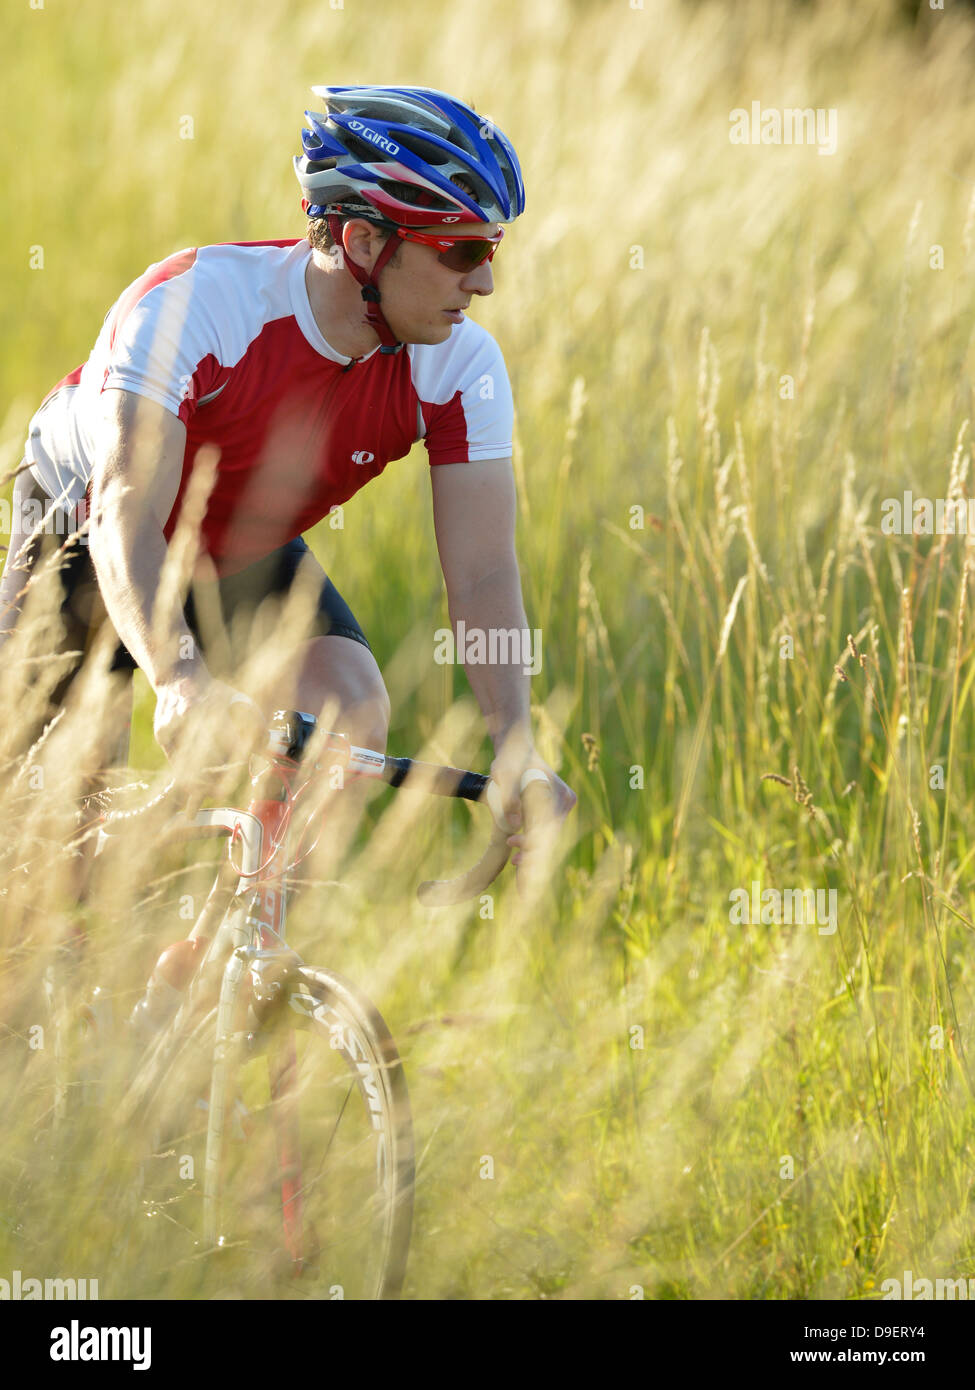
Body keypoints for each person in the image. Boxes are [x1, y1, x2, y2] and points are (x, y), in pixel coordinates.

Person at [0, 84, 575, 875]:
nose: (482, 285)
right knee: (35, 829)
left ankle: (234, 960)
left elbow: (481, 572)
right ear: (365, 242)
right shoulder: (196, 306)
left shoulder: (460, 364)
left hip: (237, 540)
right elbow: (127, 513)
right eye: (462, 252)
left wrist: (516, 748)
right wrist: (178, 680)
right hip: (86, 527)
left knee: (350, 714)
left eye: (492, 250)